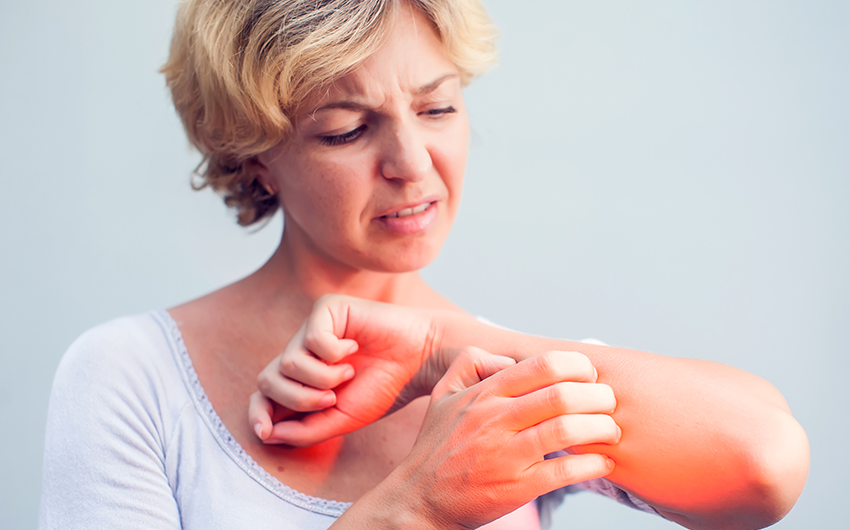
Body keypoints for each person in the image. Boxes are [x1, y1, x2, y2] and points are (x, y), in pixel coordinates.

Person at [39, 1, 809, 529]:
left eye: (437, 108)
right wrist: (415, 508)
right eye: (345, 130)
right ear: (255, 157)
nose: (412, 163)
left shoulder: (495, 372)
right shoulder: (131, 376)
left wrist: (437, 348)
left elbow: (765, 460)